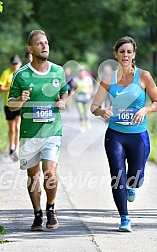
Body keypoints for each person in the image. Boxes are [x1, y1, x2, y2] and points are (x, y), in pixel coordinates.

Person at [91, 36, 157, 232]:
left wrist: (144, 110)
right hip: (115, 135)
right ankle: (124, 217)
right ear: (116, 54)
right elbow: (94, 106)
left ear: (134, 54)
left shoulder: (144, 76)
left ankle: (133, 184)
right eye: (122, 52)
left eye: (129, 51)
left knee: (135, 177)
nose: (125, 55)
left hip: (138, 136)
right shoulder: (108, 78)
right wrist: (102, 111)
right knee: (117, 175)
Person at [8, 30, 68, 230]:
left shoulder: (58, 71)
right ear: (30, 48)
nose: (44, 46)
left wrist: (63, 102)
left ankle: (51, 208)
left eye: (46, 43)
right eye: (40, 43)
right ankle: (37, 214)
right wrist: (20, 100)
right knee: (33, 177)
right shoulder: (21, 75)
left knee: (50, 173)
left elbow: (64, 94)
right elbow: (11, 105)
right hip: (29, 134)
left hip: (52, 131)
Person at [0, 55, 22, 161]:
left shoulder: (22, 73)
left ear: (20, 63)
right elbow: (1, 88)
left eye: (16, 63)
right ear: (11, 63)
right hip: (8, 104)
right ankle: (11, 146)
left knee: (17, 127)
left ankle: (16, 149)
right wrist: (10, 88)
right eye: (13, 63)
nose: (15, 65)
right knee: (11, 128)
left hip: (19, 103)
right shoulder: (6, 73)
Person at [73, 66, 93, 132]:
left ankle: (87, 121)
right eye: (80, 71)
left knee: (86, 113)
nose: (81, 73)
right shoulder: (76, 79)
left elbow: (91, 87)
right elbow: (74, 88)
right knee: (81, 113)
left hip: (86, 97)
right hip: (79, 97)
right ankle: (82, 126)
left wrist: (89, 92)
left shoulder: (88, 79)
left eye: (83, 71)